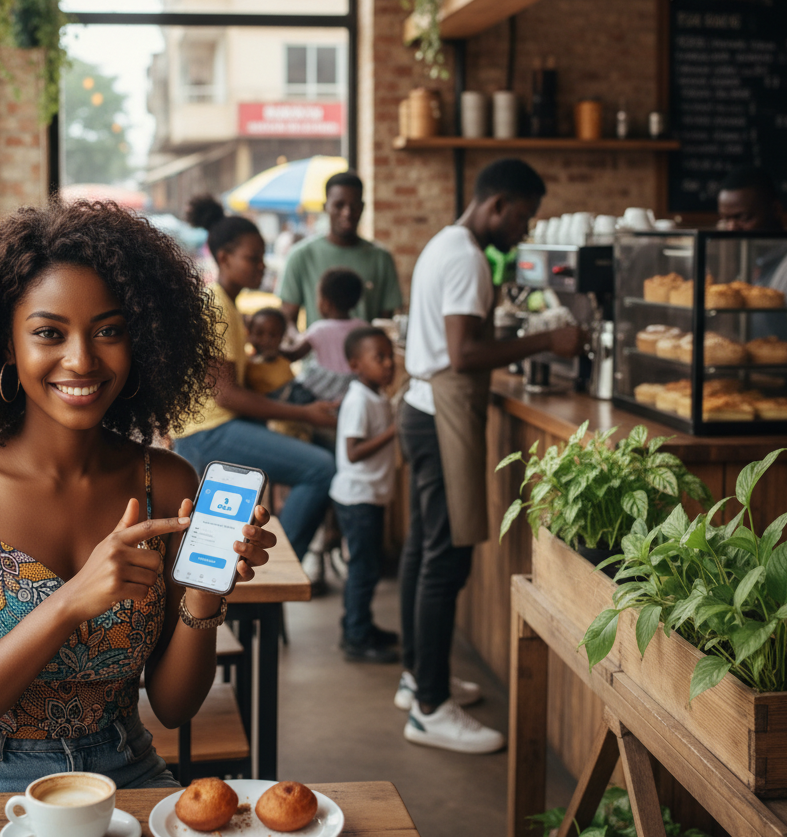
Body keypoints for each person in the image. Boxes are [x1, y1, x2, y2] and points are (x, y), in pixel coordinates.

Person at [0, 199, 276, 793]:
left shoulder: (168, 482)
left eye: (109, 331)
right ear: (5, 345)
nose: (81, 359)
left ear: (141, 341)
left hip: (128, 773)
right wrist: (71, 600)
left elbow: (174, 708)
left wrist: (204, 591)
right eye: (49, 332)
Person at [399, 158, 583, 754]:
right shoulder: (467, 257)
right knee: (446, 560)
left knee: (425, 551)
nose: (523, 231)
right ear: (499, 204)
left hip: (423, 411)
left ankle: (417, 679)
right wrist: (549, 339)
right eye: (523, 217)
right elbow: (464, 353)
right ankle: (430, 708)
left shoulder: (444, 244)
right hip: (439, 415)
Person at [175, 196, 339, 563]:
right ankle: (279, 567)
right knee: (320, 468)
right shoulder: (216, 305)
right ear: (224, 258)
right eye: (253, 258)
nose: (262, 265)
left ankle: (273, 568)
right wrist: (307, 414)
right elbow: (226, 394)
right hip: (207, 433)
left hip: (213, 428)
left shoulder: (227, 304)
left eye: (263, 257)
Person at [330, 326, 399, 664]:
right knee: (363, 569)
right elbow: (353, 451)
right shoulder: (359, 400)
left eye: (391, 356)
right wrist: (393, 432)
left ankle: (361, 625)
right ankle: (356, 637)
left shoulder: (376, 396)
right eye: (379, 358)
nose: (389, 364)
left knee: (367, 567)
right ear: (356, 364)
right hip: (358, 498)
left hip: (369, 496)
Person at [279, 172, 402, 329]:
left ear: (362, 208)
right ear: (325, 207)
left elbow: (386, 322)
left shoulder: (381, 258)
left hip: (366, 353)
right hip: (317, 353)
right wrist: (305, 344)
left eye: (354, 206)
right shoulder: (301, 255)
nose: (347, 213)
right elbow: (287, 320)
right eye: (339, 205)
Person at [717, 166, 787, 340]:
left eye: (743, 217)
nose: (731, 228)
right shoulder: (747, 259)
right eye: (726, 220)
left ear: (776, 210)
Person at [288, 267, 365, 403]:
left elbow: (294, 355)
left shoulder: (319, 329)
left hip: (319, 392)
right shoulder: (363, 327)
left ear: (326, 303)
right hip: (352, 391)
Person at [245, 308, 311, 443]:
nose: (266, 340)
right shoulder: (248, 366)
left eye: (273, 335)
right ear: (249, 334)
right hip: (269, 421)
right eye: (259, 333)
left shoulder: (283, 362)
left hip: (295, 417)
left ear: (282, 337)